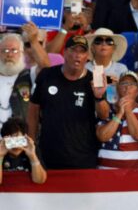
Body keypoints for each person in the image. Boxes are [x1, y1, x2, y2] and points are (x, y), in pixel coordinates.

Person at [27, 35, 109, 169]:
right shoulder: (46, 75)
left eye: (82, 51)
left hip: (83, 157)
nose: (78, 55)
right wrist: (31, 144)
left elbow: (104, 115)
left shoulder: (95, 79)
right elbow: (33, 110)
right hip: (48, 155)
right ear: (64, 53)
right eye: (73, 50)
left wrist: (99, 97)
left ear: (87, 56)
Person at [96, 72, 138, 169]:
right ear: (117, 89)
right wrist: (119, 114)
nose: (127, 87)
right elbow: (102, 136)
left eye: (132, 84)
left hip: (137, 172)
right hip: (107, 171)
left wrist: (128, 110)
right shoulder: (106, 109)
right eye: (124, 83)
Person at [0, 117, 46, 184]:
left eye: (19, 140)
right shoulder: (1, 150)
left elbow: (39, 180)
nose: (16, 146)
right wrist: (0, 156)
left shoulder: (32, 148)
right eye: (11, 141)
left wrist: (32, 156)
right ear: (4, 140)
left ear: (25, 138)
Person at [0, 33, 32, 129]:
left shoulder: (30, 77)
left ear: (22, 53)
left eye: (14, 50)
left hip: (19, 136)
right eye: (5, 50)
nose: (9, 55)